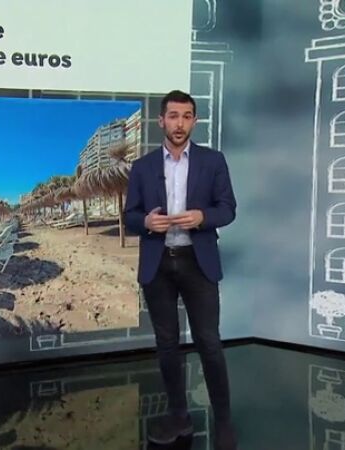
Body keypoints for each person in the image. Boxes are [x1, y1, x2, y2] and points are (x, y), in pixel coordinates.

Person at [124, 90, 238, 449]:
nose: (180, 123)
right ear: (161, 121)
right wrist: (146, 222)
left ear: (194, 121)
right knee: (167, 344)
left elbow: (228, 208)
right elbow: (129, 216)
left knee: (209, 342)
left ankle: (223, 421)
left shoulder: (213, 161)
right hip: (157, 263)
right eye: (173, 116)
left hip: (197, 261)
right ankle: (178, 417)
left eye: (187, 116)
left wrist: (203, 216)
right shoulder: (142, 167)